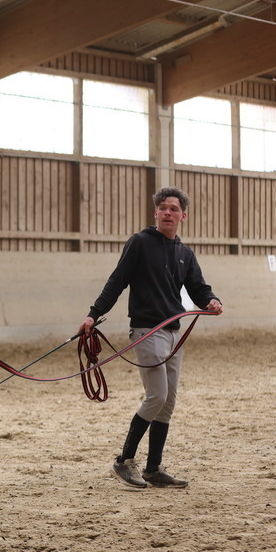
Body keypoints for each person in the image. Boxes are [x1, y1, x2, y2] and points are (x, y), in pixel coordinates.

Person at [78, 187, 223, 489]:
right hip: (147, 332)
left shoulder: (185, 253)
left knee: (167, 402)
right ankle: (123, 461)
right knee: (156, 396)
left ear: (184, 215)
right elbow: (117, 281)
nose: (167, 212)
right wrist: (94, 314)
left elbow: (198, 287)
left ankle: (153, 469)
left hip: (173, 334)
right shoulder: (140, 243)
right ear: (155, 213)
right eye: (162, 208)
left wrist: (210, 300)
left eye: (173, 208)